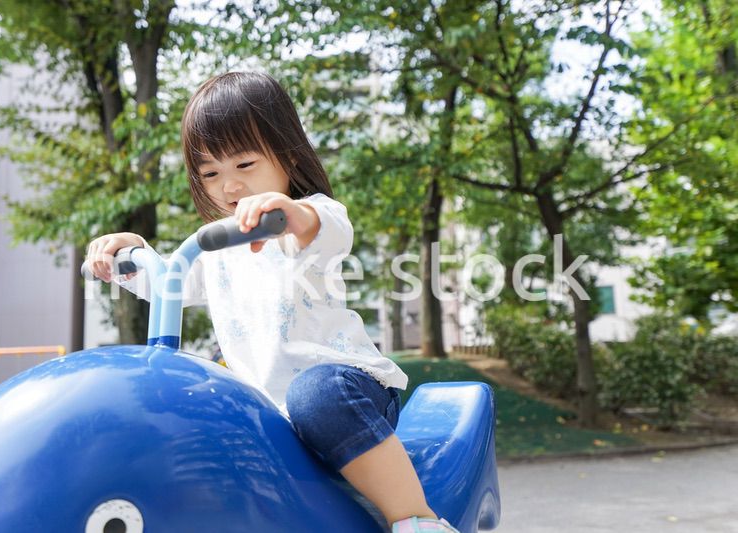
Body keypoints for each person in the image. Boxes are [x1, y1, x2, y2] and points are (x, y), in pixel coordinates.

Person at [85, 71, 459, 533]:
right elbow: (170, 283)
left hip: (348, 392)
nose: (229, 187)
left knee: (315, 395)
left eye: (244, 165)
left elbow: (323, 228)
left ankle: (416, 518)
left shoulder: (309, 217)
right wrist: (128, 251)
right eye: (210, 173)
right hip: (266, 410)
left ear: (287, 154)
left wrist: (289, 215)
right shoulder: (213, 245)